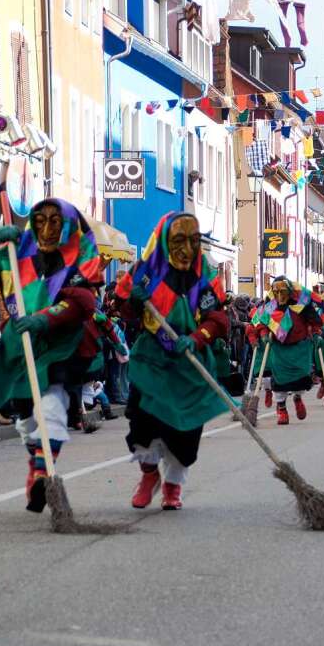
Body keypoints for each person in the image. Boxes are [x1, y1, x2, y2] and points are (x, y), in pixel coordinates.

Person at [0, 198, 104, 513]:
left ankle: (42, 472)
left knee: (52, 407)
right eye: (41, 221)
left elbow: (83, 303)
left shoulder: (79, 257)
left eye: (56, 221)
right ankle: (36, 462)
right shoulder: (16, 253)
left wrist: (43, 319)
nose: (48, 229)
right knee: (26, 416)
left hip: (61, 347)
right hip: (21, 345)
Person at [114, 211, 230, 510]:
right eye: (179, 240)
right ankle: (149, 474)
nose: (187, 248)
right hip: (152, 356)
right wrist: (134, 302)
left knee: (185, 432)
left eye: (193, 240)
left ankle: (173, 485)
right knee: (142, 422)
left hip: (189, 361)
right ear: (165, 240)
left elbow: (218, 319)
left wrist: (197, 337)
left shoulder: (205, 274)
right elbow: (125, 312)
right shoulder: (145, 271)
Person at [252, 276, 323, 425]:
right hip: (279, 349)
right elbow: (260, 323)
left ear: (289, 291)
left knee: (301, 377)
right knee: (280, 380)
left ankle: (298, 398)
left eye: (282, 291)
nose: (279, 295)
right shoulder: (270, 306)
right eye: (276, 292)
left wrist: (316, 334)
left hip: (299, 348)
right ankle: (282, 409)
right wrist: (264, 335)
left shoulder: (302, 305)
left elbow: (315, 321)